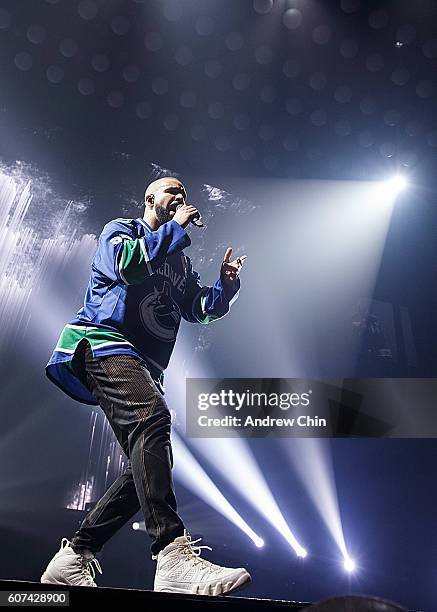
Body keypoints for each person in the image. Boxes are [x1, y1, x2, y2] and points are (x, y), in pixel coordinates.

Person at [41, 177, 250, 595]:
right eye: (173, 192)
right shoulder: (121, 231)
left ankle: (73, 557)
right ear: (149, 199)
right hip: (102, 345)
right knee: (154, 420)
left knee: (148, 466)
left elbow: (197, 309)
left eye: (185, 195)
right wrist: (177, 231)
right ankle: (171, 552)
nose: (181, 198)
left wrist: (225, 289)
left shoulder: (179, 263)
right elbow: (129, 267)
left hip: (140, 366)